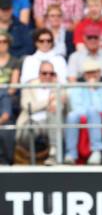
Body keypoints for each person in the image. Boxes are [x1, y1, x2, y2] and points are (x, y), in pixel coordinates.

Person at [15, 61, 65, 166]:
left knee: (53, 112)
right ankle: (30, 161)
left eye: (51, 74)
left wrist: (54, 89)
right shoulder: (30, 85)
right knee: (30, 128)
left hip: (49, 123)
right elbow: (28, 106)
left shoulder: (58, 87)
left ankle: (53, 153)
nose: (48, 76)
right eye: (44, 73)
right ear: (39, 74)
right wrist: (48, 101)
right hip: (30, 121)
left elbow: (60, 106)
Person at [65, 59, 102, 165]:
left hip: (98, 116)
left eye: (94, 72)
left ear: (99, 73)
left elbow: (101, 108)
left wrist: (92, 90)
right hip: (82, 116)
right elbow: (76, 107)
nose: (92, 75)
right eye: (89, 72)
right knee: (72, 115)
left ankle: (96, 150)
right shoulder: (77, 88)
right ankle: (71, 154)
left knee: (92, 111)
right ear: (84, 75)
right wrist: (87, 111)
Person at [0, 29, 16, 164]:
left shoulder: (14, 61)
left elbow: (14, 87)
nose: (1, 44)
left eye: (4, 41)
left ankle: (6, 160)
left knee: (5, 95)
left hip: (7, 95)